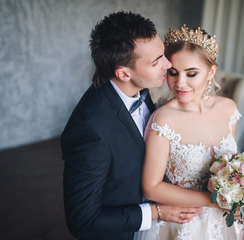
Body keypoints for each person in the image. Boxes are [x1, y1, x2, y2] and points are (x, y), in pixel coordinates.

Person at [61, 12, 201, 240]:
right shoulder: (89, 131)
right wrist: (157, 212)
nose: (168, 64)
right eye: (157, 61)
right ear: (124, 73)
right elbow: (82, 222)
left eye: (162, 54)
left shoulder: (140, 89)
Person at [138, 25, 244, 240]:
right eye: (173, 73)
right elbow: (151, 188)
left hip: (228, 219)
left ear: (211, 71)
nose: (180, 83)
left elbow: (232, 163)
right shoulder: (164, 119)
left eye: (191, 73)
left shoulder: (228, 108)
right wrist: (214, 200)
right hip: (184, 221)